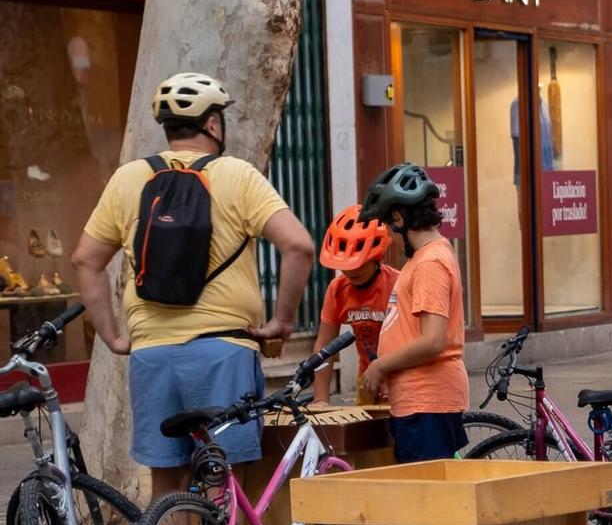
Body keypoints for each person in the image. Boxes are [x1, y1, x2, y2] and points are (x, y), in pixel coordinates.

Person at [73, 72, 314, 497]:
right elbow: (298, 246)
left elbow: (85, 261)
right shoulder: (237, 175)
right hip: (223, 352)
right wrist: (282, 320)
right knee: (223, 483)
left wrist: (112, 336)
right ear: (213, 124)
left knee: (167, 487)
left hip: (151, 353)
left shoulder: (129, 178)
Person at [353, 164, 471, 463]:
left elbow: (433, 341)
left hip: (427, 402)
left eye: (387, 225)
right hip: (418, 402)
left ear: (399, 218)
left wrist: (380, 366)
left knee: (428, 490)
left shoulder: (430, 264)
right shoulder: (426, 258)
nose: (389, 237)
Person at [311, 205, 399, 406]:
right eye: (345, 265)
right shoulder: (337, 290)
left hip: (401, 379)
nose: (350, 271)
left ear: (376, 256)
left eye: (358, 264)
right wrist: (321, 399)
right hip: (367, 380)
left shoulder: (397, 285)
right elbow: (324, 347)